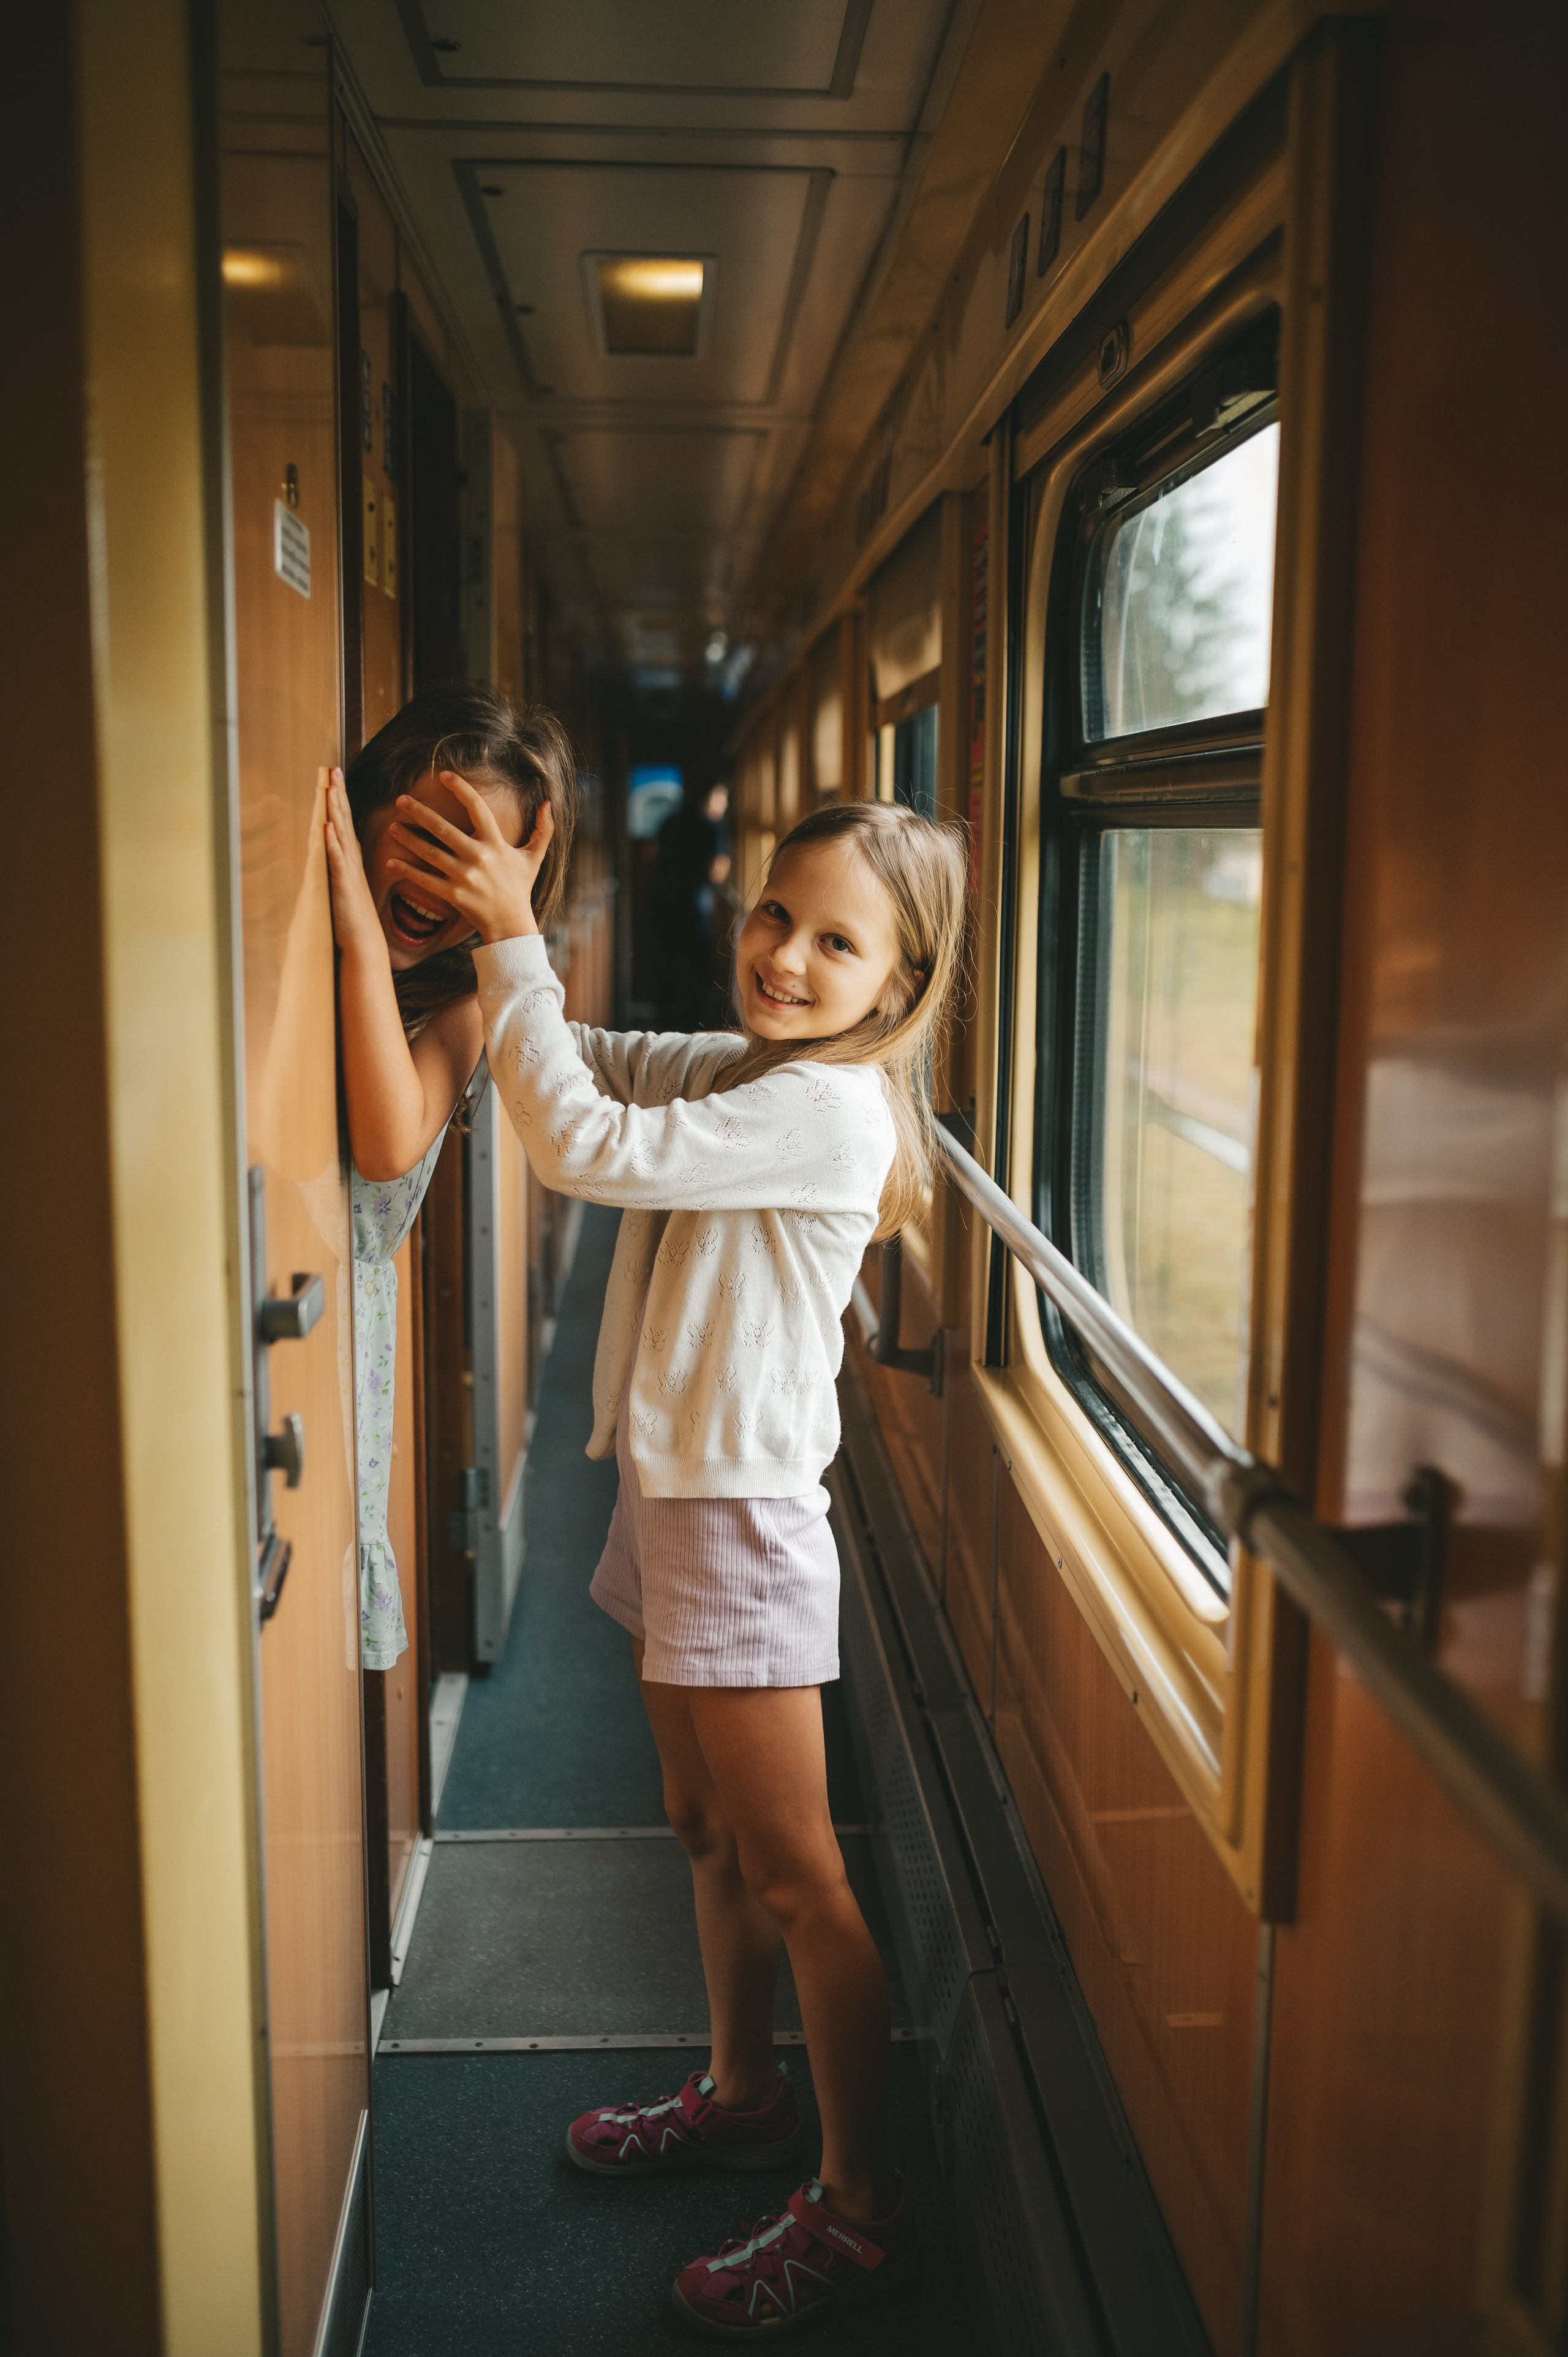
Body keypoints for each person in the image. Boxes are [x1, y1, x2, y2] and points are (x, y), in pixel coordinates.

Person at [380, 778, 967, 2336]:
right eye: (774, 914)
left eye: (833, 942)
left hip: (744, 1524)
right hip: (671, 1495)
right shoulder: (759, 1062)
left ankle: (859, 2206)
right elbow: (610, 1070)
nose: (782, 955)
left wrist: (513, 933)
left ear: (892, 989)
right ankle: (740, 2090)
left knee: (799, 1875)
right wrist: (475, 962)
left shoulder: (824, 1102)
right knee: (701, 1826)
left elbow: (579, 1143)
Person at [322, 685, 576, 1669]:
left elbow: (386, 1145)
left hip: (347, 1341)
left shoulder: (463, 1005)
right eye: (424, 840)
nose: (436, 886)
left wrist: (358, 932)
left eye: (473, 868)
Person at [654, 779, 733, 1030]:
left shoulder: (671, 821)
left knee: (668, 965)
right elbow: (717, 873)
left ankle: (664, 1024)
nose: (724, 806)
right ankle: (692, 1026)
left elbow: (654, 857)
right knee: (700, 969)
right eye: (721, 800)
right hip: (694, 907)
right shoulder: (712, 828)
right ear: (708, 799)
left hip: (664, 904)